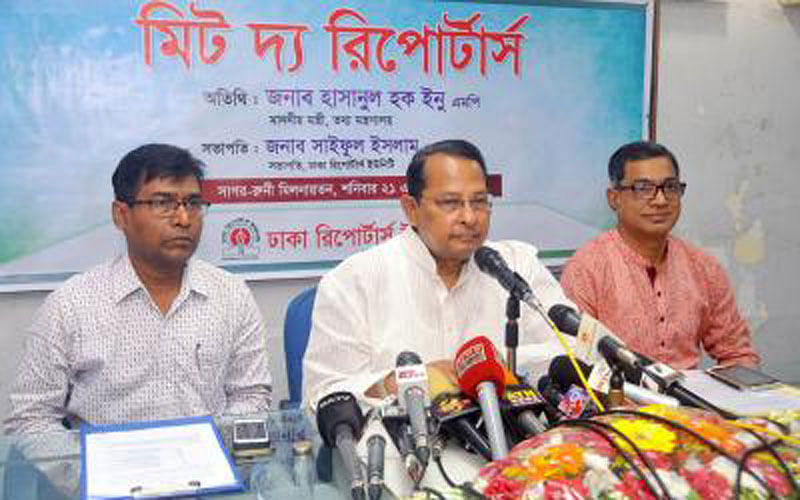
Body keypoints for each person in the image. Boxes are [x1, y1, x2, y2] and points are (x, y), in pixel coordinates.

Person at [5, 144, 272, 436]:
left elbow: (251, 396)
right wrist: (86, 474)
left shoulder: (231, 294)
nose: (184, 219)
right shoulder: (70, 305)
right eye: (162, 203)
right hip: (105, 475)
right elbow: (30, 419)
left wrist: (220, 457)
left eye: (193, 203)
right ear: (121, 215)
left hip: (211, 473)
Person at [302, 139, 575, 406]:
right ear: (411, 209)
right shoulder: (353, 282)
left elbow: (576, 353)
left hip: (513, 441)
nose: (470, 217)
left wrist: (491, 365)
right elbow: (323, 395)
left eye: (479, 202)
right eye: (450, 203)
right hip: (399, 448)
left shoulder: (516, 264)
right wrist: (399, 382)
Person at [560, 141, 759, 369]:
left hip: (691, 402)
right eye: (643, 188)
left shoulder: (704, 267)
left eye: (670, 187)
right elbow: (575, 367)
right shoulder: (587, 270)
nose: (661, 200)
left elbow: (737, 353)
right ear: (614, 198)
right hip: (616, 401)